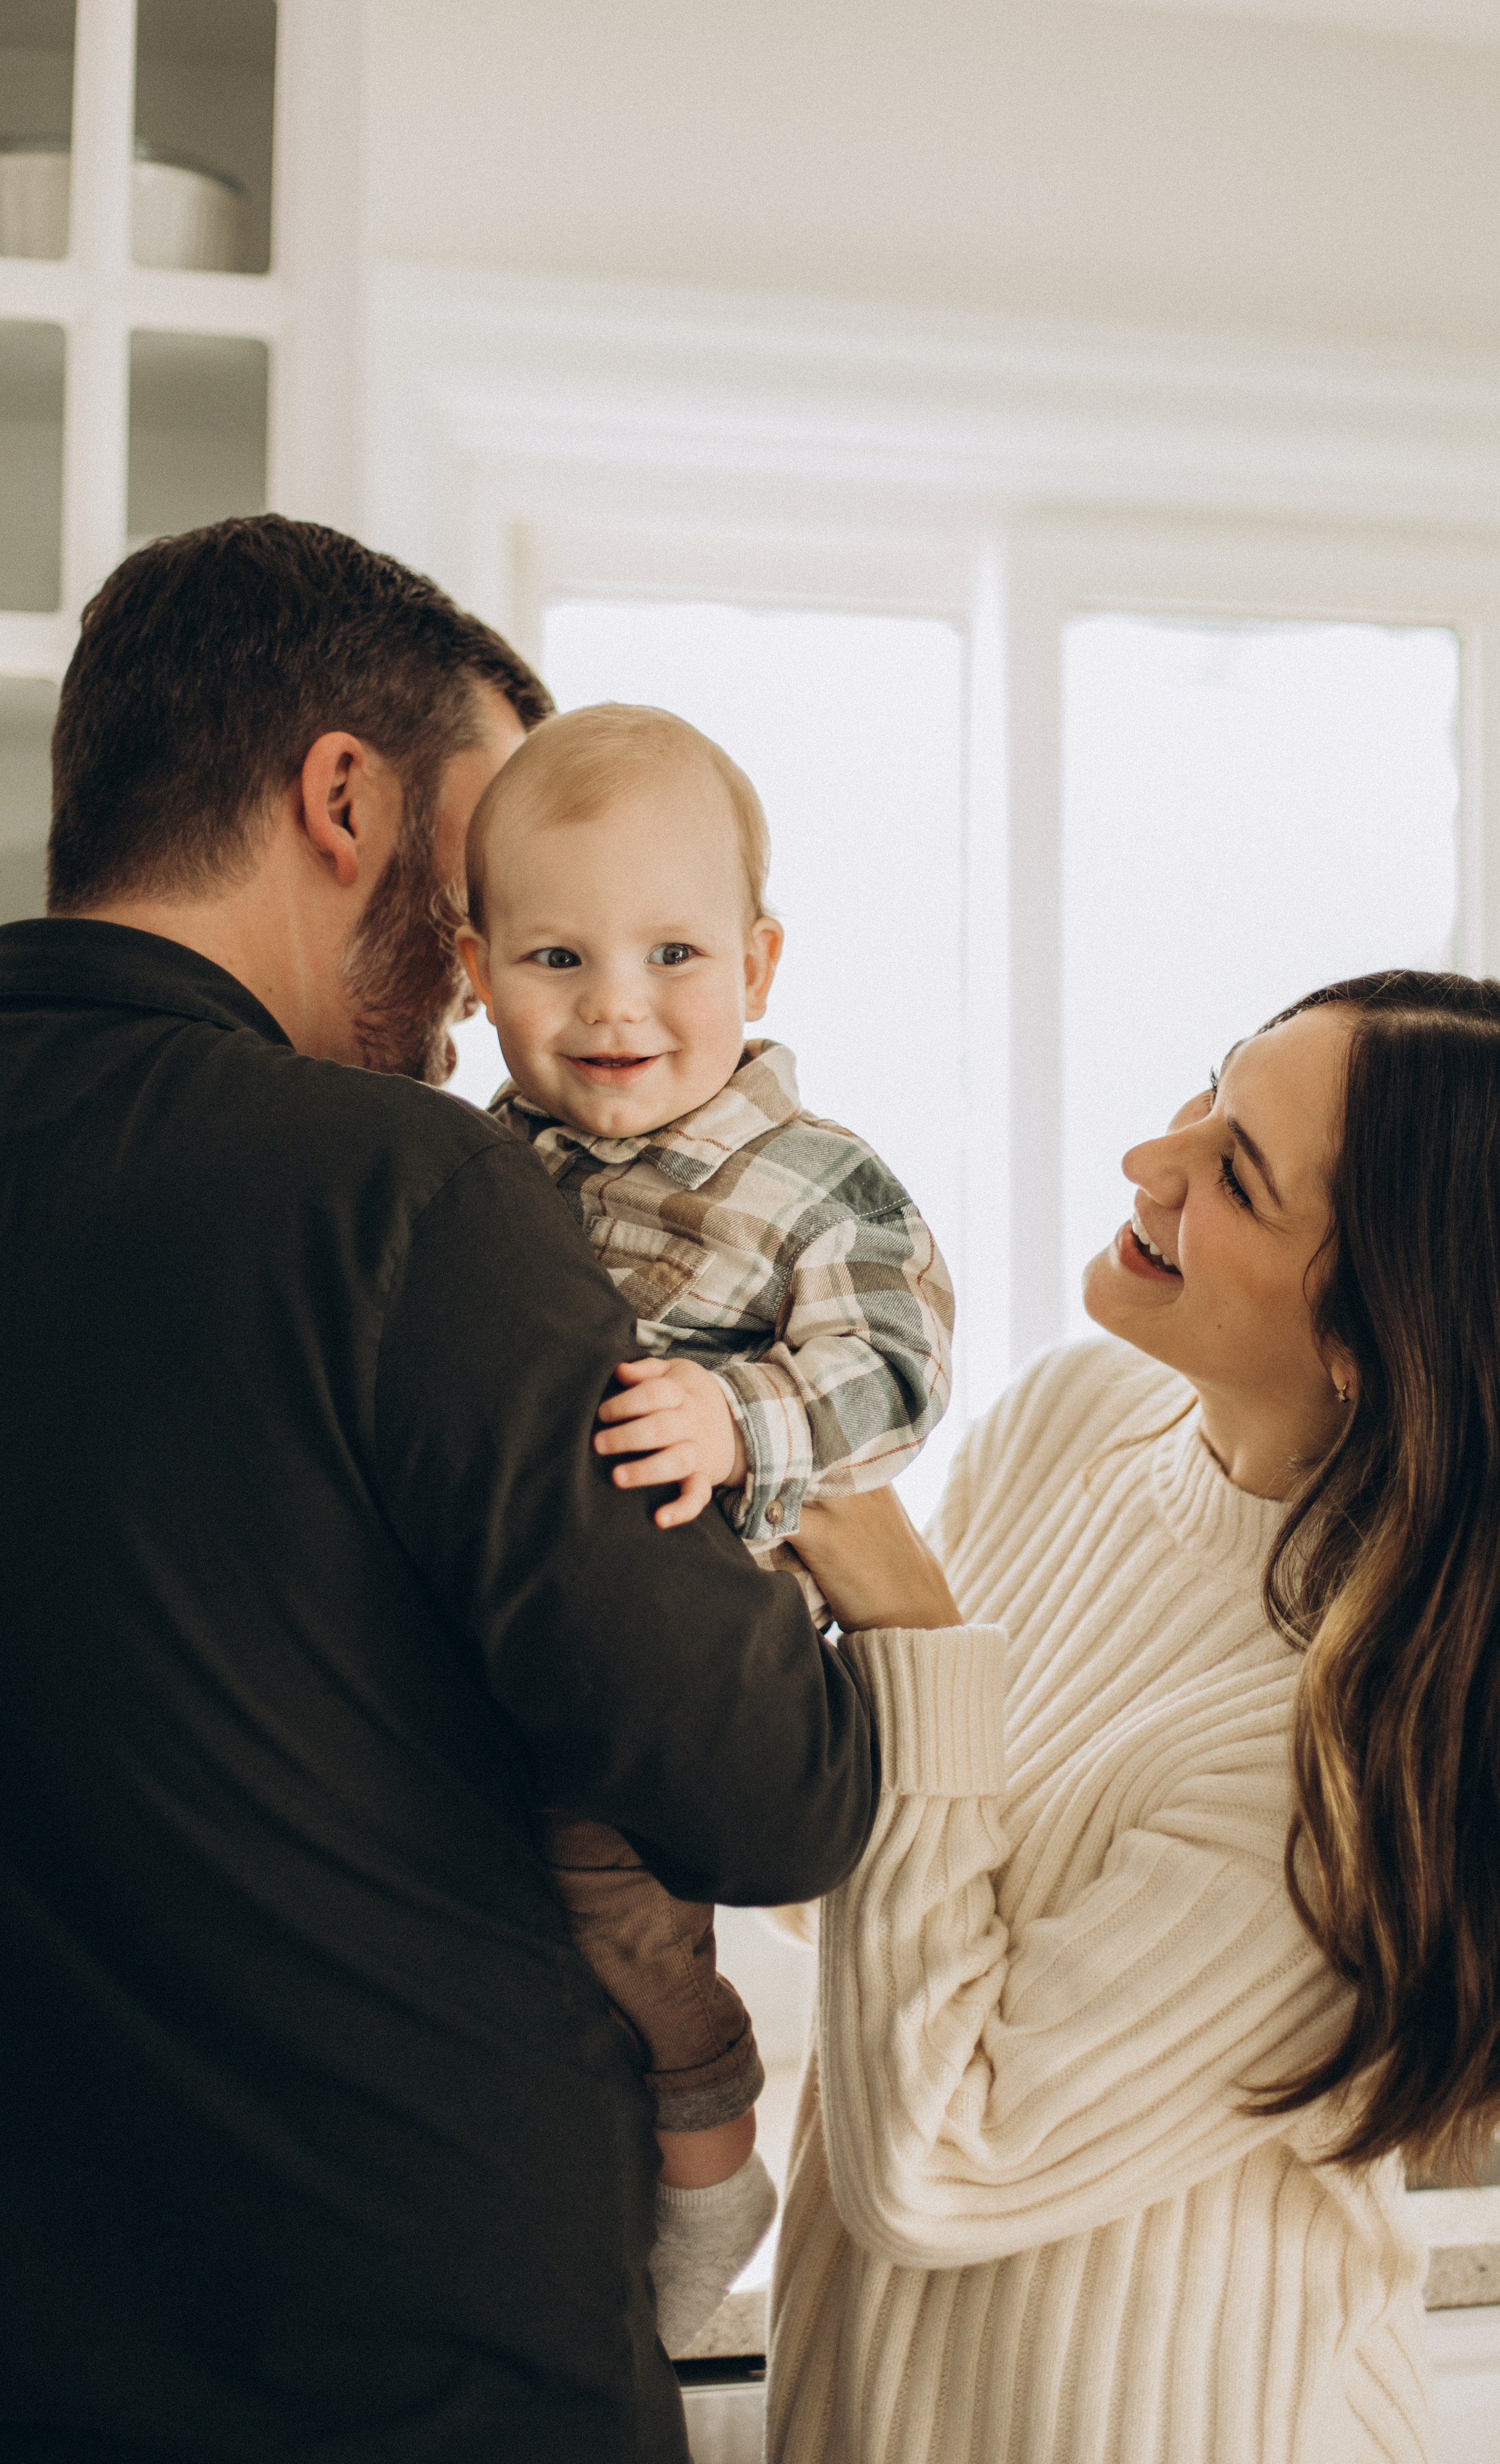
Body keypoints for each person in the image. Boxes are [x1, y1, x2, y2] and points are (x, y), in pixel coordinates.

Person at [0, 517, 878, 2464]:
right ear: (346, 799)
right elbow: (767, 1790)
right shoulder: (401, 1189)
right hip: (413, 2366)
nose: (491, 987)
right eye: (490, 876)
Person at [767, 971, 1500, 2464]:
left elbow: (939, 2157)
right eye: (1209, 1094)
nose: (1148, 1165)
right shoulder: (1076, 1417)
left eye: (1234, 1173)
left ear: (1375, 1340)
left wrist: (904, 1619)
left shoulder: (1359, 1755)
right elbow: (850, 1891)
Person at [454, 702, 954, 2350]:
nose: (615, 1006)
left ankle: (706, 2171)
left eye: (673, 951)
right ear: (472, 968)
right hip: (481, 1638)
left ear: (761, 959)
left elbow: (892, 1369)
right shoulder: (474, 1165)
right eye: (553, 956)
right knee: (507, 1933)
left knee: (627, 1928)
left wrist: (738, 1421)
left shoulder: (809, 1180)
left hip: (677, 1662)